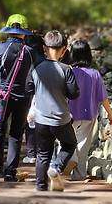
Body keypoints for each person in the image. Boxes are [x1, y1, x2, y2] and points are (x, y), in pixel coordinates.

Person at [26, 30, 80, 192]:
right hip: (61, 119)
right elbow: (74, 93)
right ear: (64, 49)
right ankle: (56, 167)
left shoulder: (36, 69)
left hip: (41, 119)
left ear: (44, 48)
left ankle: (40, 186)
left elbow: (29, 88)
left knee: (43, 153)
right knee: (70, 144)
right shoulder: (66, 69)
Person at [0, 14, 34, 181]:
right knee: (16, 133)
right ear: (24, 32)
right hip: (23, 97)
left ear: (8, 30)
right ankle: (10, 171)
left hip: (1, 95)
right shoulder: (29, 52)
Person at [66, 40, 112, 179]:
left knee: (67, 140)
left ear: (73, 55)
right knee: (83, 145)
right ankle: (79, 174)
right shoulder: (95, 74)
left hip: (69, 114)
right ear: (88, 55)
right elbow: (103, 97)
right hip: (89, 114)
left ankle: (71, 158)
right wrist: (111, 115)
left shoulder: (68, 72)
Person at [23, 34, 45, 165]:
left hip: (29, 95)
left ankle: (31, 153)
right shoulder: (43, 60)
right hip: (44, 95)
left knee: (30, 123)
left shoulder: (27, 58)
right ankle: (41, 152)